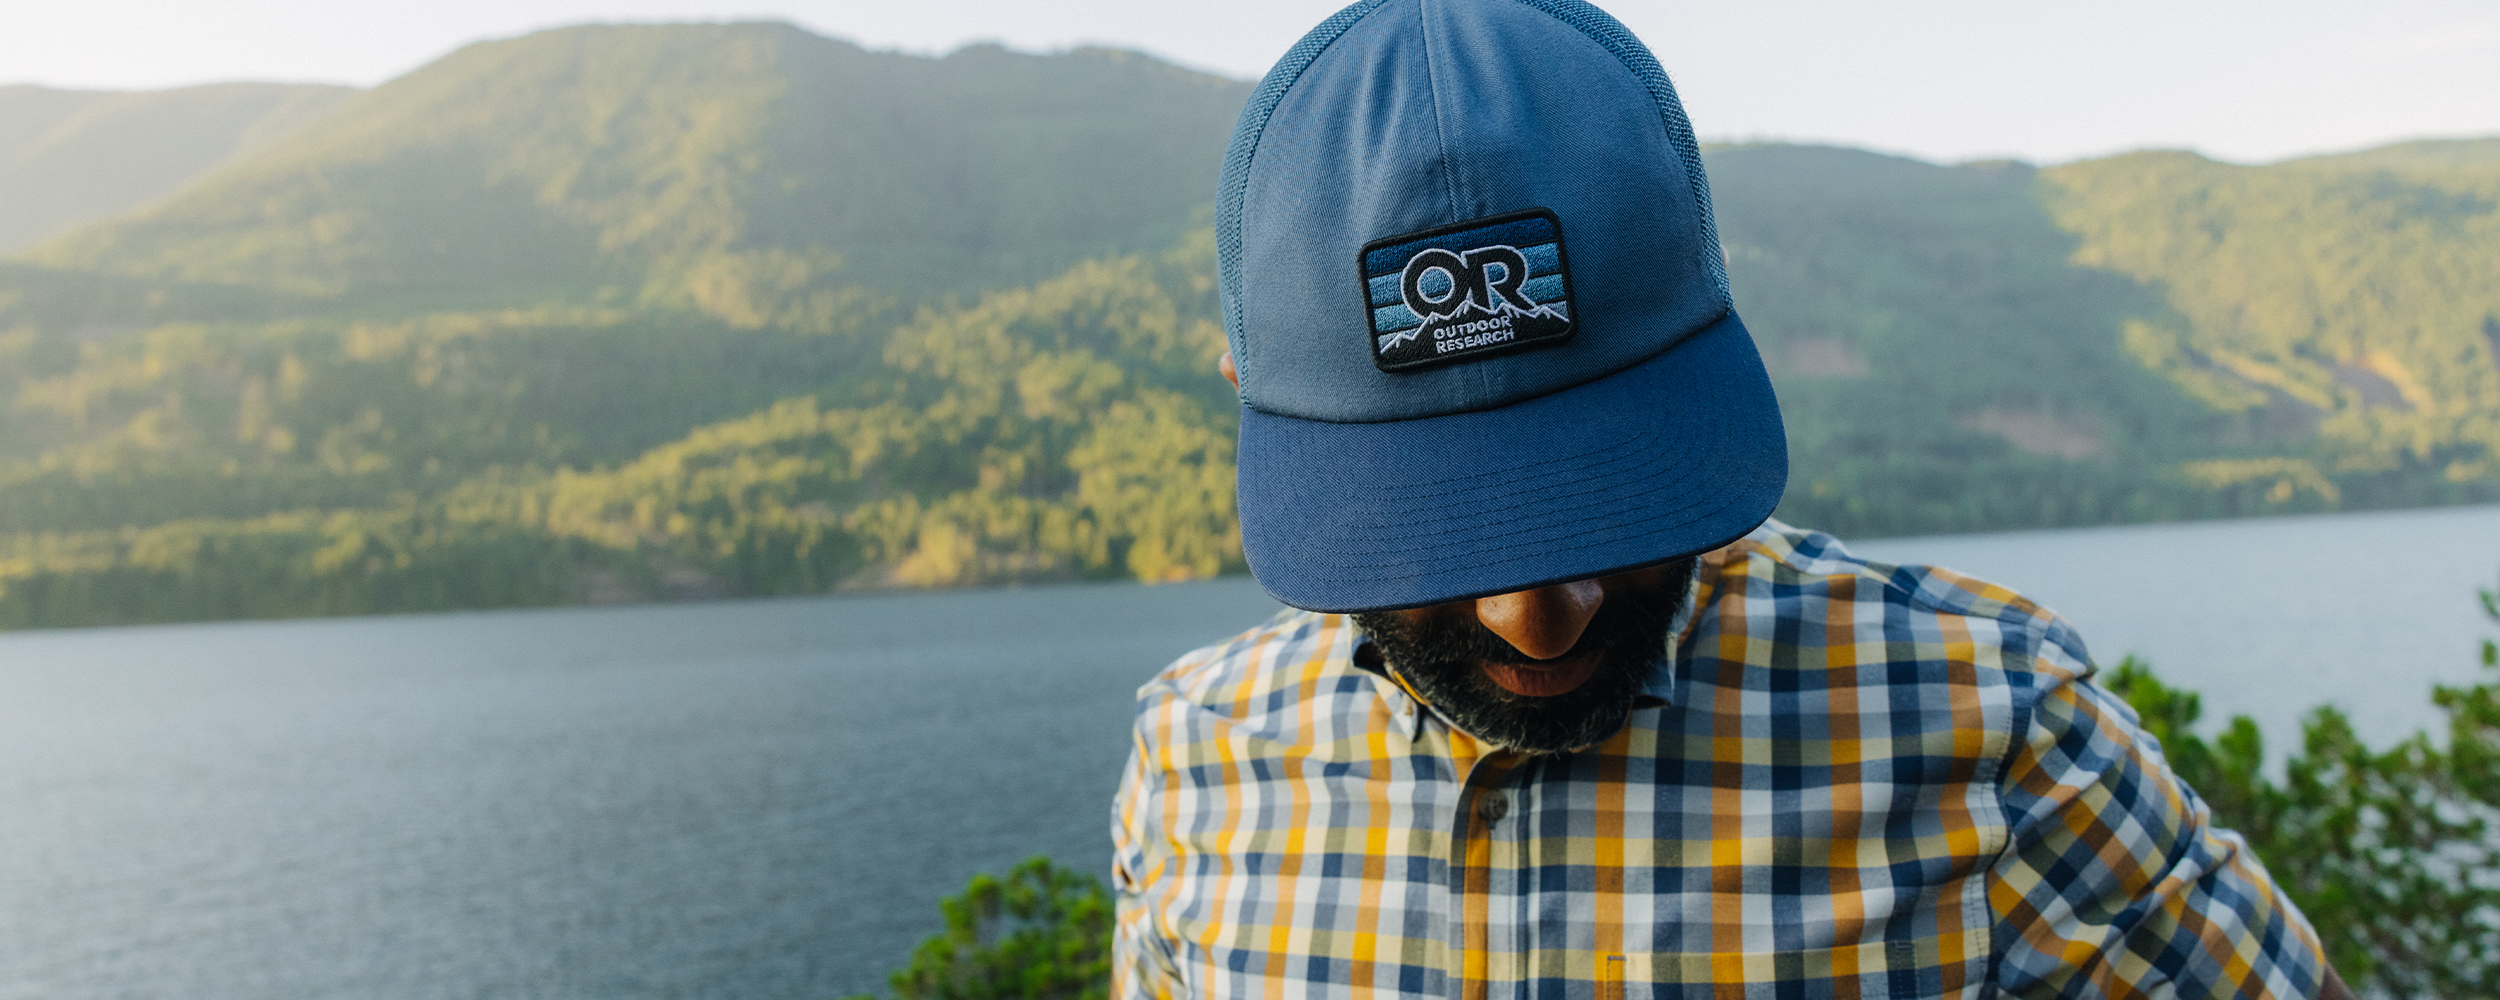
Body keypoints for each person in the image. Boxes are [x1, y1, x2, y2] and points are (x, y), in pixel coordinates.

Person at [1111, 1, 2350, 997]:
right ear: (1249, 391)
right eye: (1436, 528)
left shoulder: (1991, 730)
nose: (1535, 618)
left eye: (1610, 498)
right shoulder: (1192, 759)